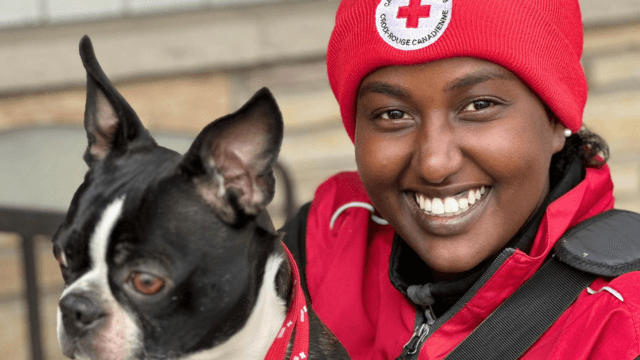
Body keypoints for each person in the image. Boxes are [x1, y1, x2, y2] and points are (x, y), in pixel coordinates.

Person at [281, 0, 640, 358]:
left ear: (555, 118)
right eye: (393, 114)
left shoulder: (625, 320)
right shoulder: (326, 239)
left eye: (479, 106)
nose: (435, 164)